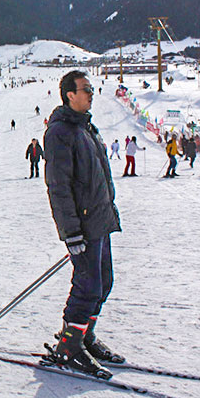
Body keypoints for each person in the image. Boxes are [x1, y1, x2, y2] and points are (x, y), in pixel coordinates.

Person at [43, 70, 122, 379]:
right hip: (83, 225)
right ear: (69, 95)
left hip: (100, 219)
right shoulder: (60, 132)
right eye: (85, 89)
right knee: (87, 286)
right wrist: (71, 231)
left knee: (104, 282)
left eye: (92, 89)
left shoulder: (86, 127)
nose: (91, 94)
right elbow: (58, 186)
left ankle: (83, 336)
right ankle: (69, 346)